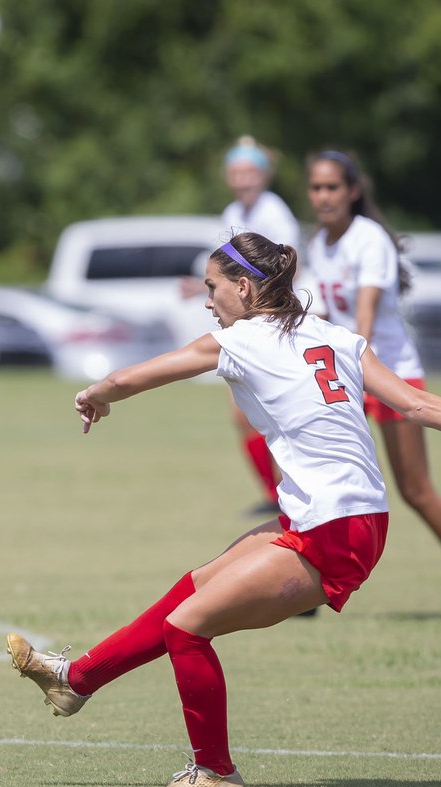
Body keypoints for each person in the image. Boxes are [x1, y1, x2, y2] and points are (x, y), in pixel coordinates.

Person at [7, 231, 441, 787]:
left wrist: (94, 393)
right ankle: (75, 679)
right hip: (348, 517)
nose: (207, 300)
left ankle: (215, 772)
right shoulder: (338, 338)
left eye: (213, 287)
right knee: (191, 590)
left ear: (244, 287)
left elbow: (130, 378)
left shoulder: (238, 341)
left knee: (186, 629)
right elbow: (417, 403)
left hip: (334, 529)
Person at [303, 150, 441, 621]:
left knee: (415, 490)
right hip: (350, 373)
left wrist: (348, 378)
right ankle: (306, 588)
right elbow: (323, 314)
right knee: (319, 477)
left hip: (389, 376)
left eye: (332, 187)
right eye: (315, 188)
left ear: (353, 191)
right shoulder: (320, 244)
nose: (323, 196)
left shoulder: (367, 239)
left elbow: (364, 323)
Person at [175, 136, 304, 516]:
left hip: (274, 321)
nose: (242, 180)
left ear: (263, 175)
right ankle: (277, 494)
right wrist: (203, 285)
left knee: (268, 412)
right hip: (251, 321)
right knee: (245, 415)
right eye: (235, 173)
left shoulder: (274, 212)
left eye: (249, 172)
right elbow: (231, 272)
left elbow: (281, 269)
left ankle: (284, 493)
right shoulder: (234, 211)